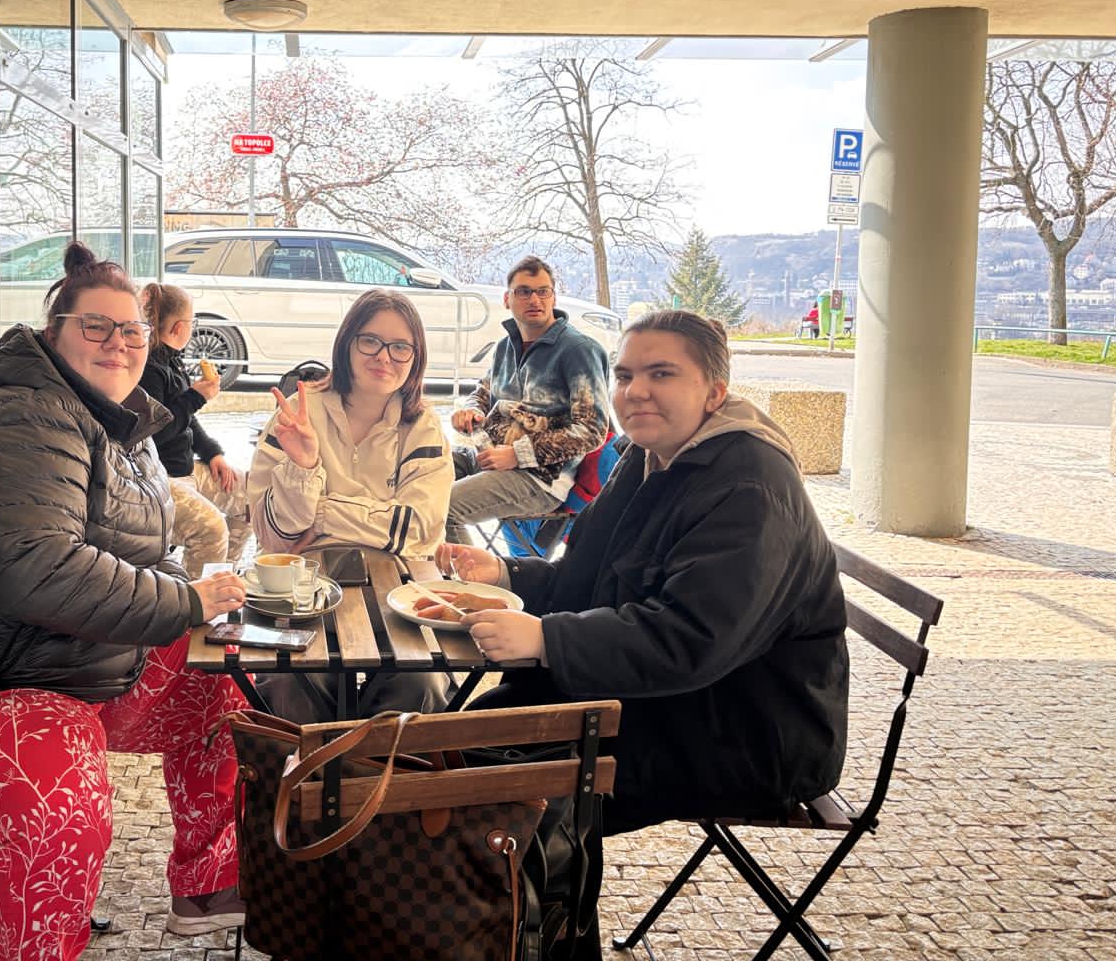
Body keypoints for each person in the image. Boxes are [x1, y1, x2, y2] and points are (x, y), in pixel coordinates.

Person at [0, 241, 252, 960]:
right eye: (96, 326)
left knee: (224, 682)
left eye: (131, 329)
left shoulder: (116, 420)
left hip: (58, 664)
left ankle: (208, 886)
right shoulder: (15, 416)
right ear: (52, 332)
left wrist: (197, 605)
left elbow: (145, 553)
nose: (118, 342)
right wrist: (187, 602)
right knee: (56, 806)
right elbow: (38, 570)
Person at [440, 309, 849, 835]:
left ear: (714, 392)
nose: (635, 391)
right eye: (625, 375)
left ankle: (517, 883)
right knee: (453, 746)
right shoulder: (647, 454)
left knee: (484, 789)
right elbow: (586, 576)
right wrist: (505, 574)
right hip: (651, 696)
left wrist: (547, 639)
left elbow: (689, 638)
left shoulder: (750, 487)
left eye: (662, 374)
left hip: (741, 730)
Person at [248, 289, 454, 719]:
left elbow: (417, 529)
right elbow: (276, 534)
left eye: (400, 347)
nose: (384, 357)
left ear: (415, 357)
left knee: (422, 682)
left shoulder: (422, 426)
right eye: (370, 341)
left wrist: (322, 511)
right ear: (347, 343)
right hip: (302, 584)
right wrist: (304, 466)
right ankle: (312, 765)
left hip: (397, 586)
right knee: (291, 678)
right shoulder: (298, 414)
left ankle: (374, 764)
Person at [445, 255, 612, 545]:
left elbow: (592, 431)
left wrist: (518, 455)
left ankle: (468, 575)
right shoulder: (505, 347)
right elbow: (482, 392)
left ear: (553, 297)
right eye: (524, 291)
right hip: (487, 456)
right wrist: (470, 410)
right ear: (507, 299)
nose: (535, 299)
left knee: (444, 508)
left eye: (542, 291)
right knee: (416, 473)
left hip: (539, 478)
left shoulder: (578, 351)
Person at [138, 282, 253, 571]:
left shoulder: (171, 361)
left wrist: (212, 453)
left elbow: (185, 419)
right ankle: (196, 595)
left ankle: (222, 574)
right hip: (162, 477)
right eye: (192, 322)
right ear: (179, 327)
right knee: (212, 529)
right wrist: (196, 397)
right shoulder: (148, 370)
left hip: (186, 469)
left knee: (252, 496)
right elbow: (155, 432)